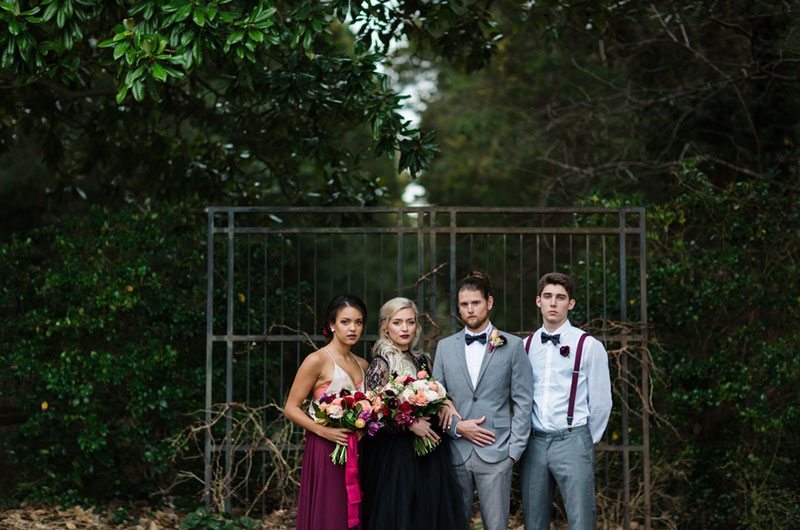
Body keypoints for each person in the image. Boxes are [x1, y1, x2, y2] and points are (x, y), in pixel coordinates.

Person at [432, 270, 534, 530]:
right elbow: (435, 399)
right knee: (454, 523)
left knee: (497, 525)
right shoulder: (445, 347)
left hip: (498, 452)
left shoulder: (512, 346)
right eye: (464, 305)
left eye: (475, 303)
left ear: (489, 302)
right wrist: (456, 428)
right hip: (455, 451)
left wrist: (513, 452)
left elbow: (523, 401)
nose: (470, 310)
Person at [360, 297, 467, 530]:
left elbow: (434, 392)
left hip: (428, 452)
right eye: (398, 322)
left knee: (427, 514)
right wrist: (409, 424)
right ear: (385, 326)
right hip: (395, 455)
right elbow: (375, 414)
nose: (405, 328)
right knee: (401, 515)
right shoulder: (381, 364)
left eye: (410, 322)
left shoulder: (422, 360)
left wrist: (444, 401)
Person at [520, 272, 613, 530]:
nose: (553, 303)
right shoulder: (525, 346)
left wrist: (582, 440)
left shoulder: (588, 345)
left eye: (560, 298)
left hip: (573, 439)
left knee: (581, 519)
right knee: (533, 520)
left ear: (570, 304)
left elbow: (601, 402)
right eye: (547, 296)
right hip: (535, 442)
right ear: (538, 301)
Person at [284, 294, 370, 530]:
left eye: (359, 322)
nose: (353, 328)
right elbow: (291, 407)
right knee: (329, 514)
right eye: (345, 322)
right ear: (331, 324)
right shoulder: (317, 360)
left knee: (352, 513)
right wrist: (324, 432)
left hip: (356, 448)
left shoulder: (363, 364)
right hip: (325, 448)